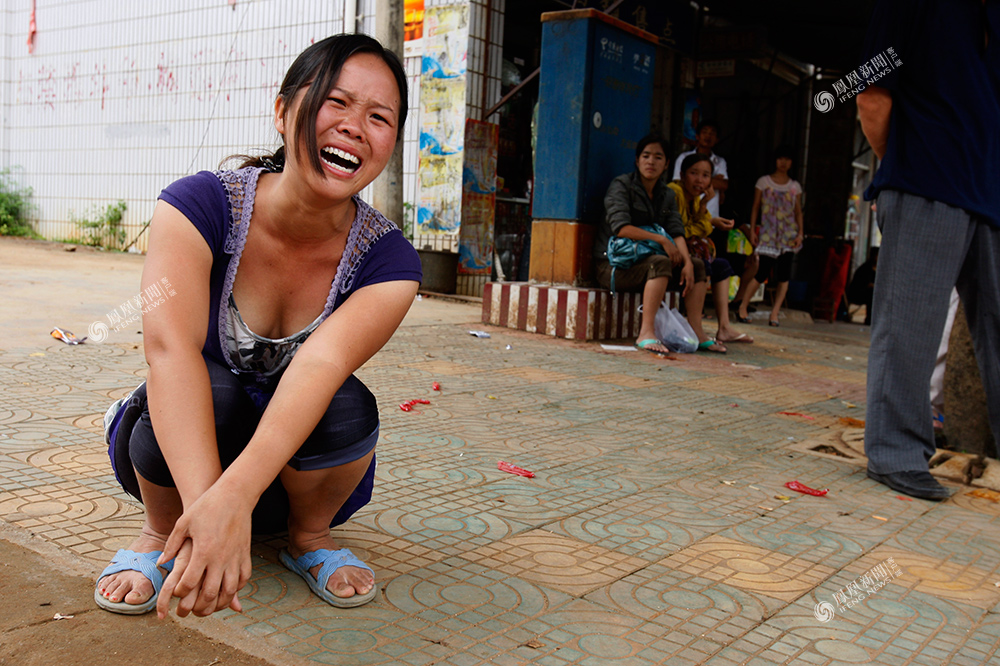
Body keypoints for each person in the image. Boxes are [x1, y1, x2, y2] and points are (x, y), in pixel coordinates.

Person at [94, 34, 422, 617]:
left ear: (390, 143)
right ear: (282, 110)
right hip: (181, 463)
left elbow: (319, 368)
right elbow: (168, 352)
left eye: (379, 117)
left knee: (347, 405)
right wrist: (209, 517)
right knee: (211, 385)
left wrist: (237, 498)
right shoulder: (198, 207)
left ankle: (309, 538)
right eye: (337, 102)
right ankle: (162, 532)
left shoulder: (389, 263)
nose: (354, 126)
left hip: (288, 476)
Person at [857, 0, 999, 500]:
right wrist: (901, 164)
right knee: (910, 324)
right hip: (925, 181)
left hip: (990, 192)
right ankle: (895, 453)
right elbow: (871, 96)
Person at [594, 133, 717, 353]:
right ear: (637, 160)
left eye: (658, 157)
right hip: (614, 266)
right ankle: (646, 333)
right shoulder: (621, 185)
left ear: (667, 163)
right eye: (646, 156)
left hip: (644, 264)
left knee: (697, 266)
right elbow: (621, 228)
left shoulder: (666, 194)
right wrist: (660, 239)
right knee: (660, 262)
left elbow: (676, 230)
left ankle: (697, 331)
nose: (651, 162)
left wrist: (687, 262)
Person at [668, 153, 753, 345]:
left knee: (722, 266)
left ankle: (724, 328)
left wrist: (705, 205)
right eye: (694, 173)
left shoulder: (697, 198)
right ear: (682, 175)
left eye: (705, 175)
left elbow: (699, 227)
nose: (699, 180)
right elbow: (683, 231)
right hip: (673, 252)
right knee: (702, 265)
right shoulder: (675, 193)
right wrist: (710, 223)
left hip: (687, 251)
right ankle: (695, 329)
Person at [735, 145, 804, 327]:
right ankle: (742, 306)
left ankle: (775, 314)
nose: (783, 163)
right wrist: (752, 232)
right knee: (762, 271)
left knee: (783, 275)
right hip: (768, 234)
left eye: (787, 159)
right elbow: (756, 207)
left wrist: (800, 234)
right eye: (780, 158)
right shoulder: (763, 182)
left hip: (788, 235)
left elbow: (798, 212)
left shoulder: (795, 186)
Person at [672, 120, 728, 219]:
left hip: (712, 214)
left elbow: (724, 184)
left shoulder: (720, 161)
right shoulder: (684, 158)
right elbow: (678, 183)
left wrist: (694, 180)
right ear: (697, 136)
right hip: (687, 213)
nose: (708, 136)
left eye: (712, 133)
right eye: (705, 132)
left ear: (717, 139)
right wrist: (714, 180)